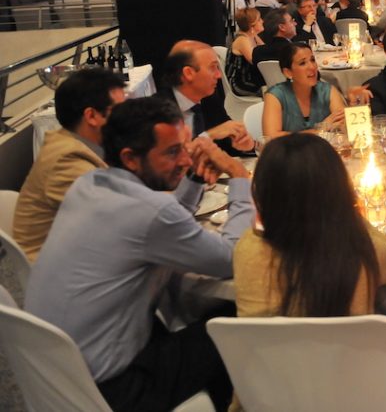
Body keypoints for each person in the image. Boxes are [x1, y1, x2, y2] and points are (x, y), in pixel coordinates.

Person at [25, 97, 254, 412]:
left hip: (60, 376)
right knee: (234, 326)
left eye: (184, 148)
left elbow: (160, 222)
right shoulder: (150, 213)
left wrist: (195, 180)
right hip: (116, 389)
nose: (186, 160)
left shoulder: (89, 184)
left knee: (199, 327)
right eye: (173, 152)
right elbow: (232, 258)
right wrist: (240, 179)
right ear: (130, 158)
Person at [232, 133, 386, 411]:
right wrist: (351, 215)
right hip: (354, 398)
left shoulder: (247, 249)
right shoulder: (356, 249)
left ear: (262, 192)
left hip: (269, 399)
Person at [13, 68, 126, 262]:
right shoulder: (65, 160)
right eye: (120, 111)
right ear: (91, 116)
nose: (127, 118)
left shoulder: (78, 142)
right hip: (58, 272)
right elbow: (114, 221)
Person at [163, 40, 254, 153]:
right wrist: (210, 135)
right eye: (213, 68)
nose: (219, 75)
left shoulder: (209, 99)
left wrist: (244, 144)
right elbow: (172, 158)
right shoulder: (159, 110)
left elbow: (227, 139)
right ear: (188, 73)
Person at [262, 43, 350, 138]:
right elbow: (271, 137)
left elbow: (344, 129)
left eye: (312, 60)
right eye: (302, 63)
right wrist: (320, 129)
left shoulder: (328, 91)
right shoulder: (275, 96)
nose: (312, 67)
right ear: (288, 72)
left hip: (322, 151)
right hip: (288, 152)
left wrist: (354, 104)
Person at [226, 8, 265, 96]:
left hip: (251, 78)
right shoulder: (242, 40)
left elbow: (264, 50)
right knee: (273, 91)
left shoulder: (253, 36)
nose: (262, 21)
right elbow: (254, 61)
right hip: (241, 83)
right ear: (252, 25)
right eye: (259, 19)